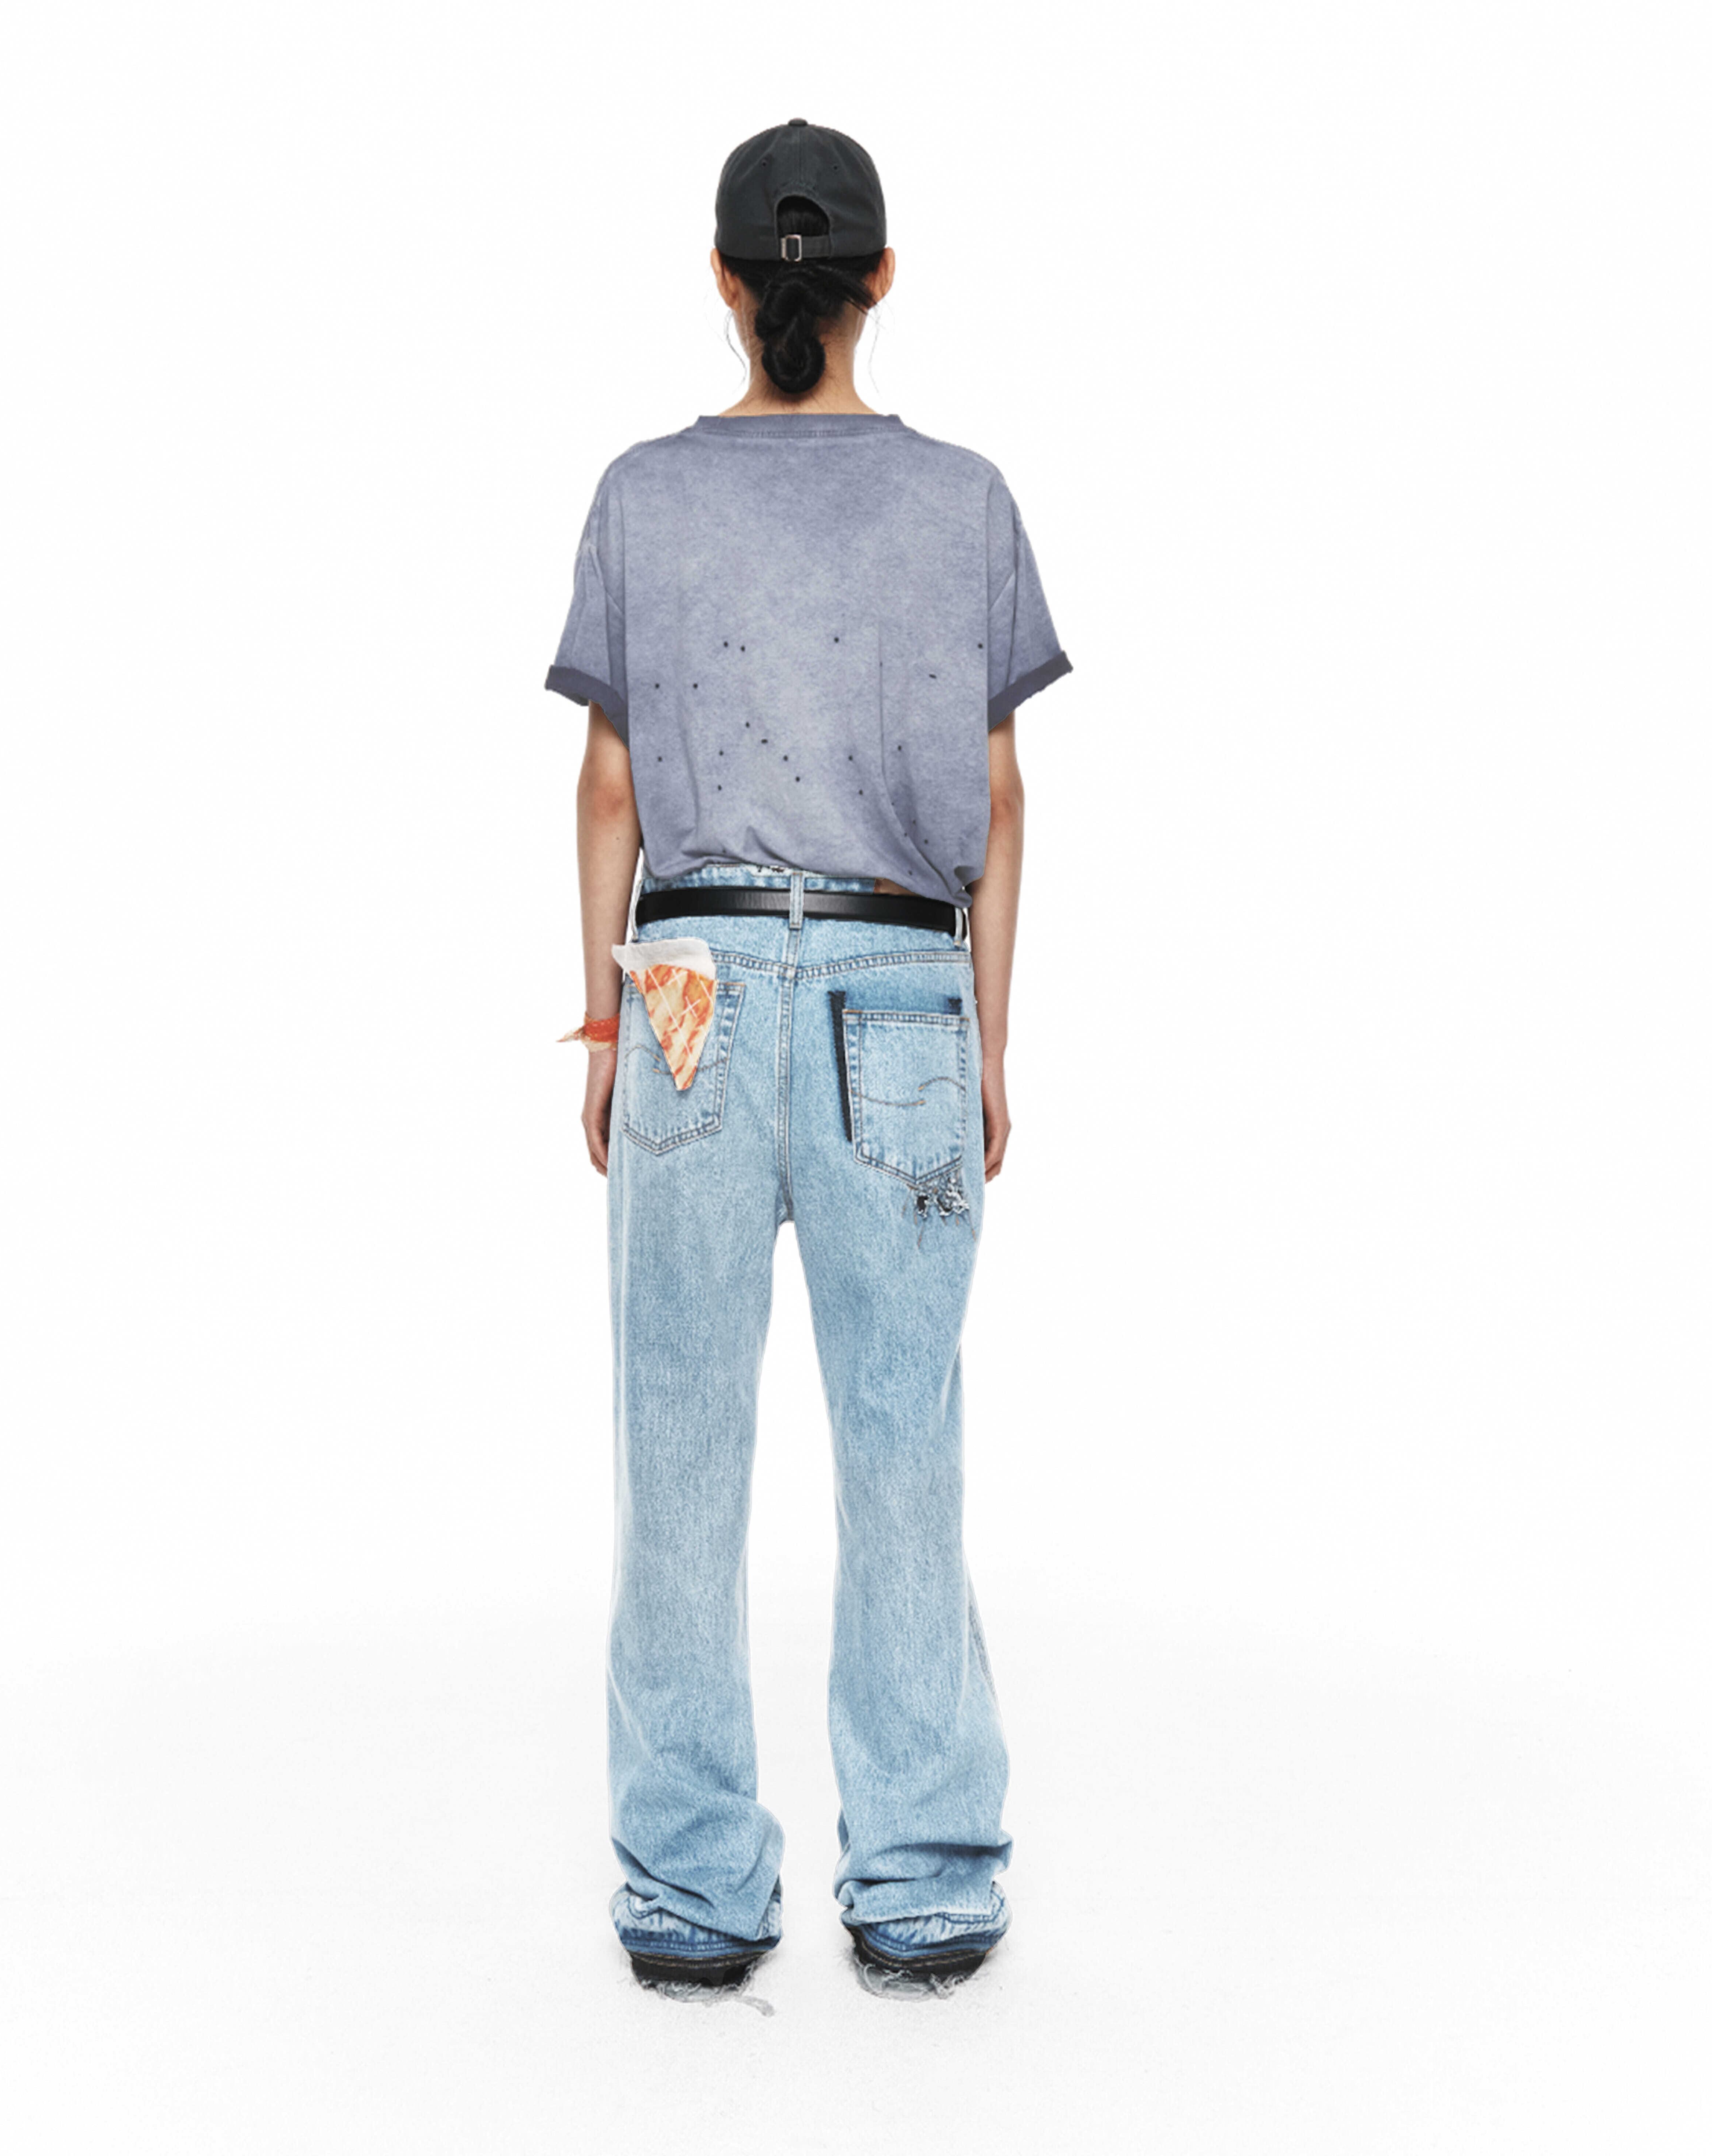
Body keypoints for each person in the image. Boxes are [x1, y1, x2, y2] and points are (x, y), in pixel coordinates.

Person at [546, 120, 1072, 1988]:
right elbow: (996, 800)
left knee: (677, 1450)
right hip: (900, 984)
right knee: (902, 1436)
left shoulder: (640, 496)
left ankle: (691, 1891)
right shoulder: (963, 501)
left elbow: (607, 785)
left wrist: (605, 1024)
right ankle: (922, 1872)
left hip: (686, 986)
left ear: (720, 280)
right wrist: (987, 1038)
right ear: (879, 278)